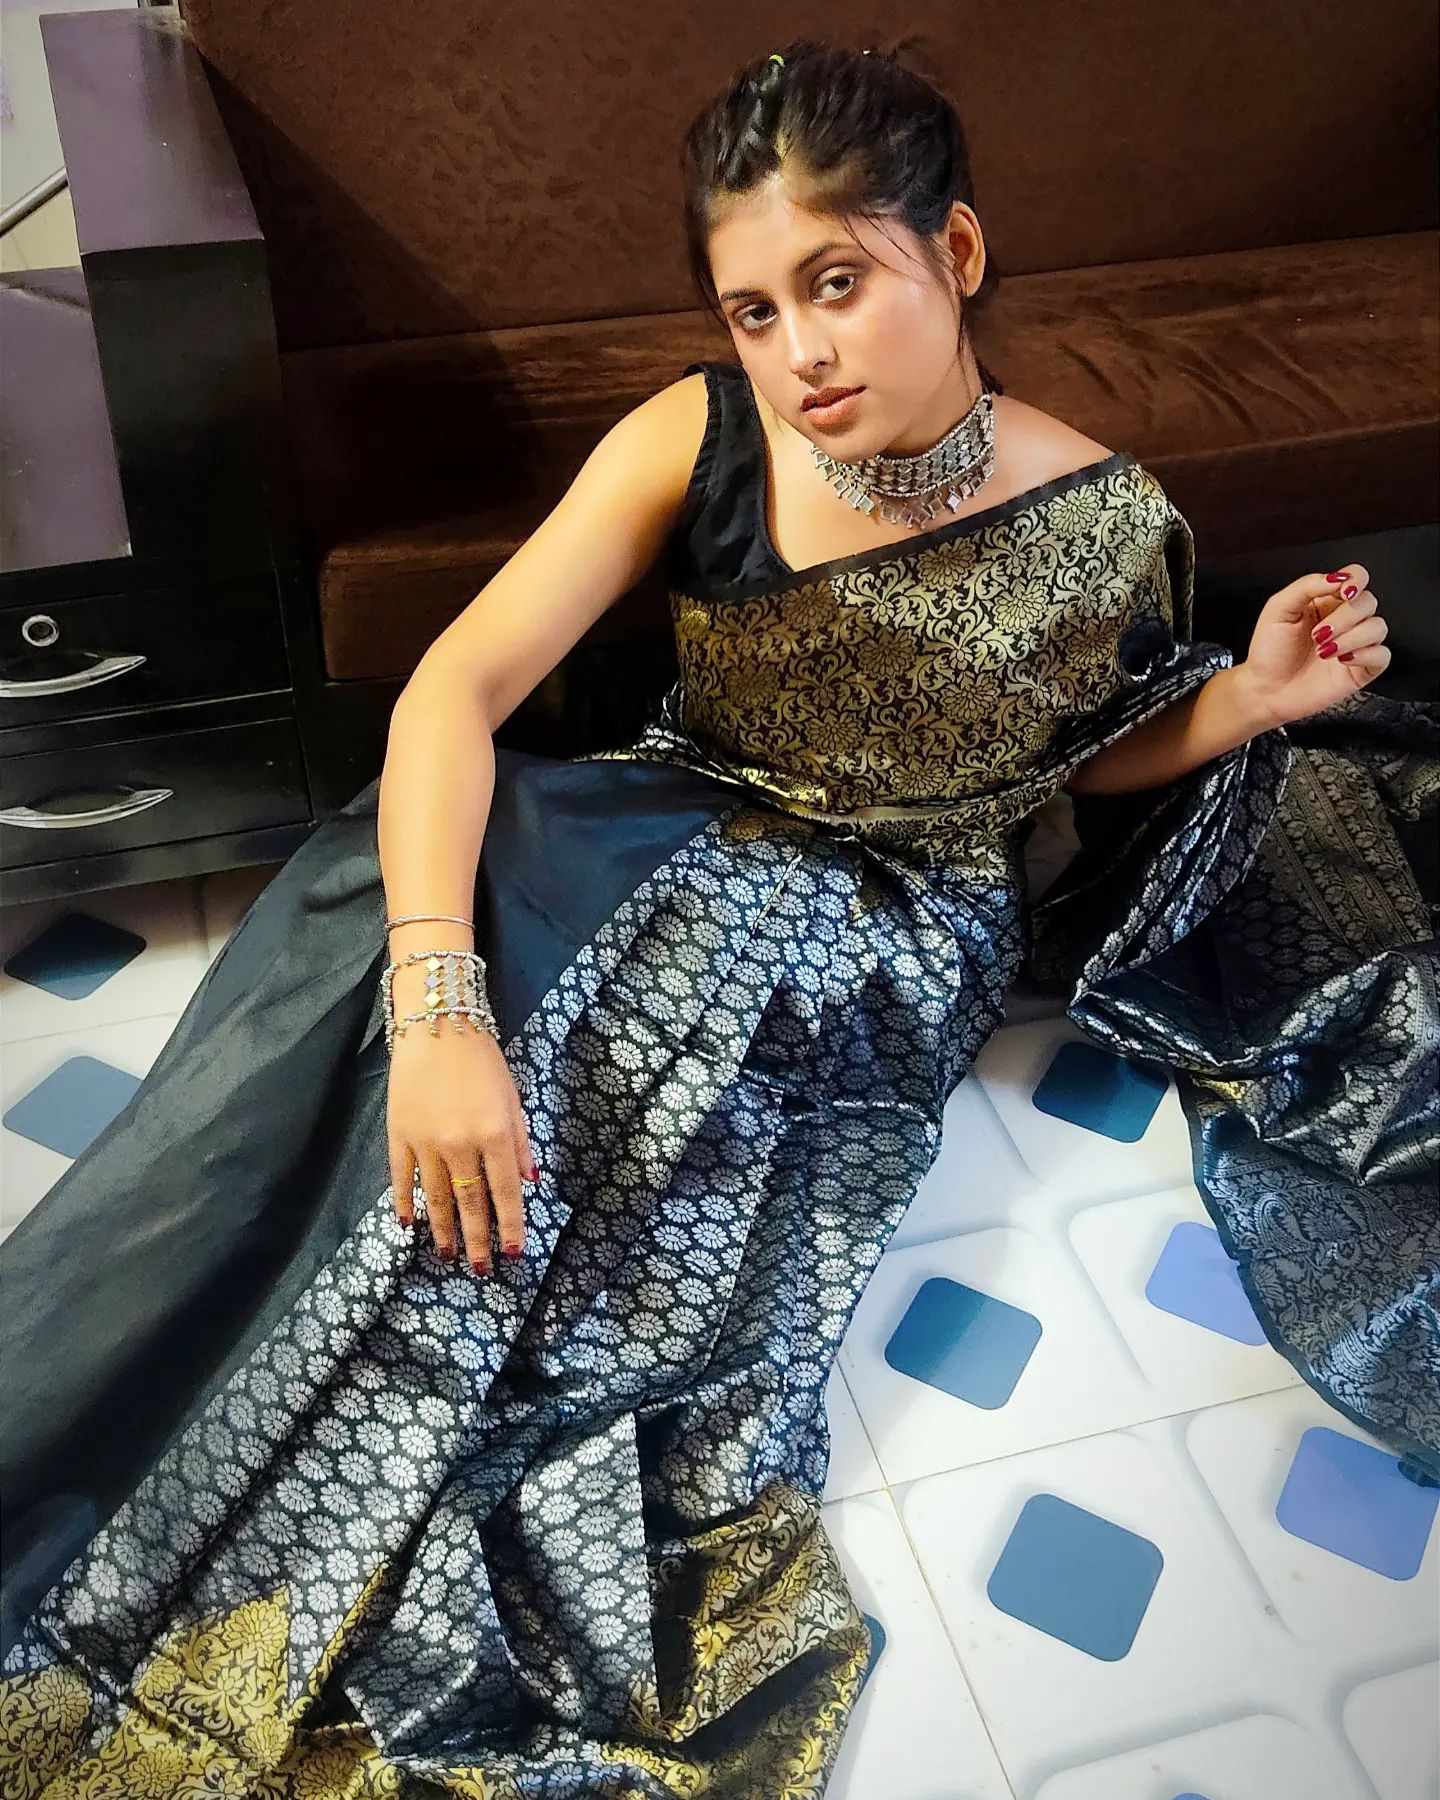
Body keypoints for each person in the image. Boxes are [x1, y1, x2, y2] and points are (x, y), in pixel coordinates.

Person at [1, 34, 1434, 1796]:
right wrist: (442, 1013)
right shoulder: (702, 433)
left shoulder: (1102, 515)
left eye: (836, 282)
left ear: (956, 252)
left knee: (543, 1237)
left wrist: (1247, 701)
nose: (800, 352)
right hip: (638, 825)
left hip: (864, 941)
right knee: (354, 1059)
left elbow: (1076, 761)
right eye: (755, 309)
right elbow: (453, 691)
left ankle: (251, 1593)